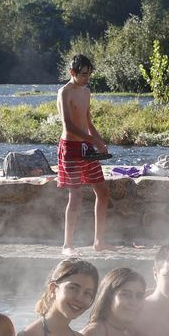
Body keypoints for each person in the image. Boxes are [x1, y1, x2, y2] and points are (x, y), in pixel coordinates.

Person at [56, 54, 111, 255]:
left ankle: (99, 242)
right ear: (72, 72)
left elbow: (88, 123)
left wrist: (100, 142)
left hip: (87, 147)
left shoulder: (86, 91)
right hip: (70, 148)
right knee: (76, 195)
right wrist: (93, 141)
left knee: (103, 192)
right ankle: (67, 245)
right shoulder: (64, 92)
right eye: (83, 74)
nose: (87, 78)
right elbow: (68, 126)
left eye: (89, 74)